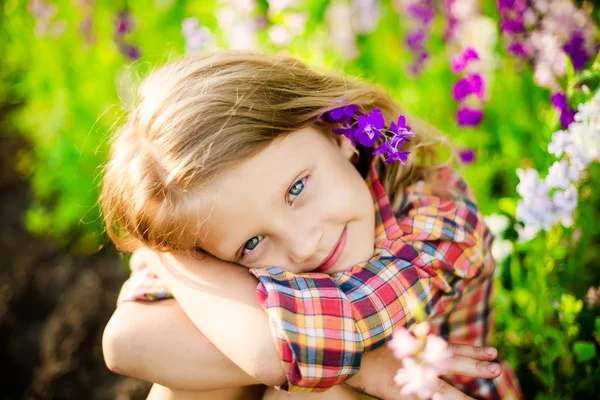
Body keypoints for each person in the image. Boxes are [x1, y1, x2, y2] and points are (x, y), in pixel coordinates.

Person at [100, 50, 522, 399]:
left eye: (297, 188)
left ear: (334, 130)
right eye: (252, 243)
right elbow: (126, 341)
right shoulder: (212, 237)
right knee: (191, 388)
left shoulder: (435, 220)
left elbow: (271, 353)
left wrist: (165, 255)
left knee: (310, 389)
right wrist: (364, 369)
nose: (303, 246)